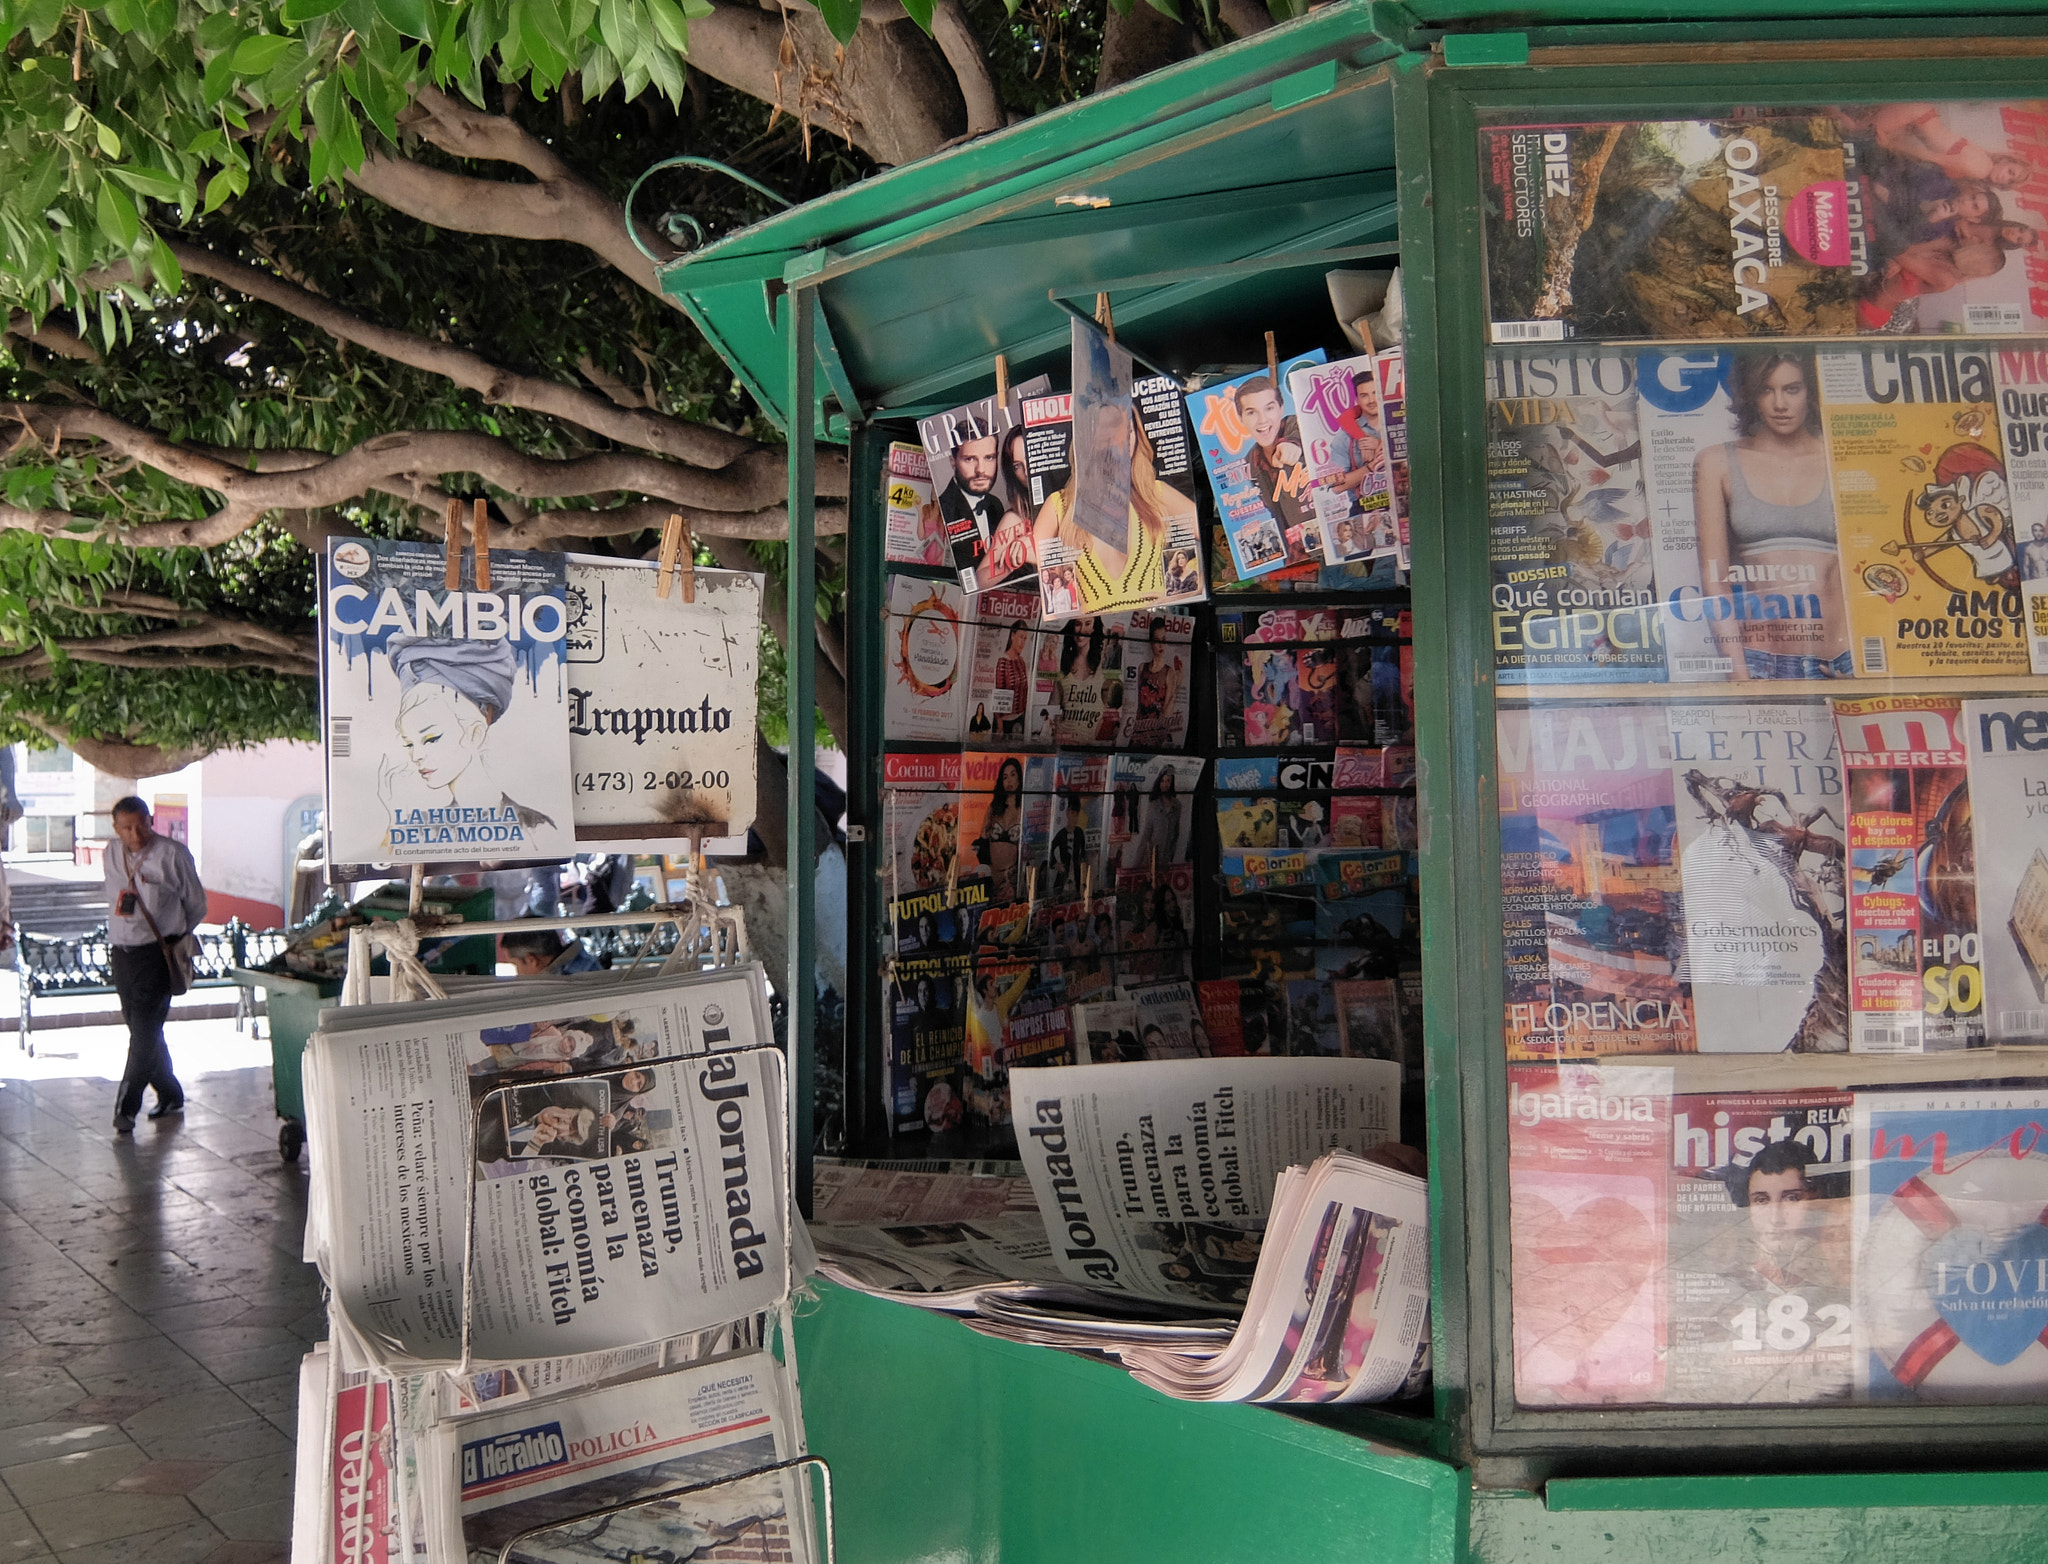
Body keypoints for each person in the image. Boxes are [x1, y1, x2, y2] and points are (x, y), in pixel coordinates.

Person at [1692, 351, 1852, 680]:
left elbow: (1878, 571)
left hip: (1846, 658)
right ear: (1751, 394)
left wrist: (1870, 659)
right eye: (1767, 390)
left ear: (1811, 391)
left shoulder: (1843, 456)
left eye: (1792, 389)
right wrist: (1739, 673)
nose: (1780, 404)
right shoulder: (1717, 463)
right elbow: (1715, 580)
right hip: (1762, 663)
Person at [104, 797, 207, 1134]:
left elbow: (196, 905)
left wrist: (173, 933)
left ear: (151, 820)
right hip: (122, 953)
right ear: (116, 828)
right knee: (142, 1031)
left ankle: (126, 1107)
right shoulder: (110, 854)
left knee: (144, 1033)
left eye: (142, 824)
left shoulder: (172, 854)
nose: (136, 834)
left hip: (157, 954)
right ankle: (171, 1092)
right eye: (128, 828)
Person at [501, 926, 602, 976]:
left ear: (531, 960)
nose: (517, 973)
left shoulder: (560, 981)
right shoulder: (580, 959)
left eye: (515, 965)